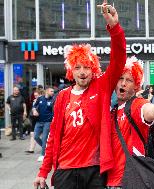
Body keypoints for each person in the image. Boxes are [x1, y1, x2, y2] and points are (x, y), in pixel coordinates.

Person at [33, 2, 126, 189]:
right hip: (64, 170)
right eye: (77, 67)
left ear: (93, 69)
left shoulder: (101, 86)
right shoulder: (62, 96)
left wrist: (115, 28)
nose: (82, 72)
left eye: (86, 67)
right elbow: (53, 137)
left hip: (94, 170)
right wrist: (43, 172)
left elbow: (119, 59)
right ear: (70, 70)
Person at [107, 56, 154, 188]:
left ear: (136, 86)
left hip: (133, 180)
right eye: (120, 79)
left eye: (129, 80)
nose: (123, 83)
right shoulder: (111, 111)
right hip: (110, 180)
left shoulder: (137, 105)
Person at [33, 87, 55, 162]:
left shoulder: (53, 100)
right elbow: (34, 106)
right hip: (39, 121)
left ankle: (43, 155)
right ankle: (46, 148)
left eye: (53, 91)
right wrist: (34, 111)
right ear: (47, 91)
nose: (53, 92)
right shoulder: (40, 98)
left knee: (45, 138)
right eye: (51, 91)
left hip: (48, 122)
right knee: (35, 137)